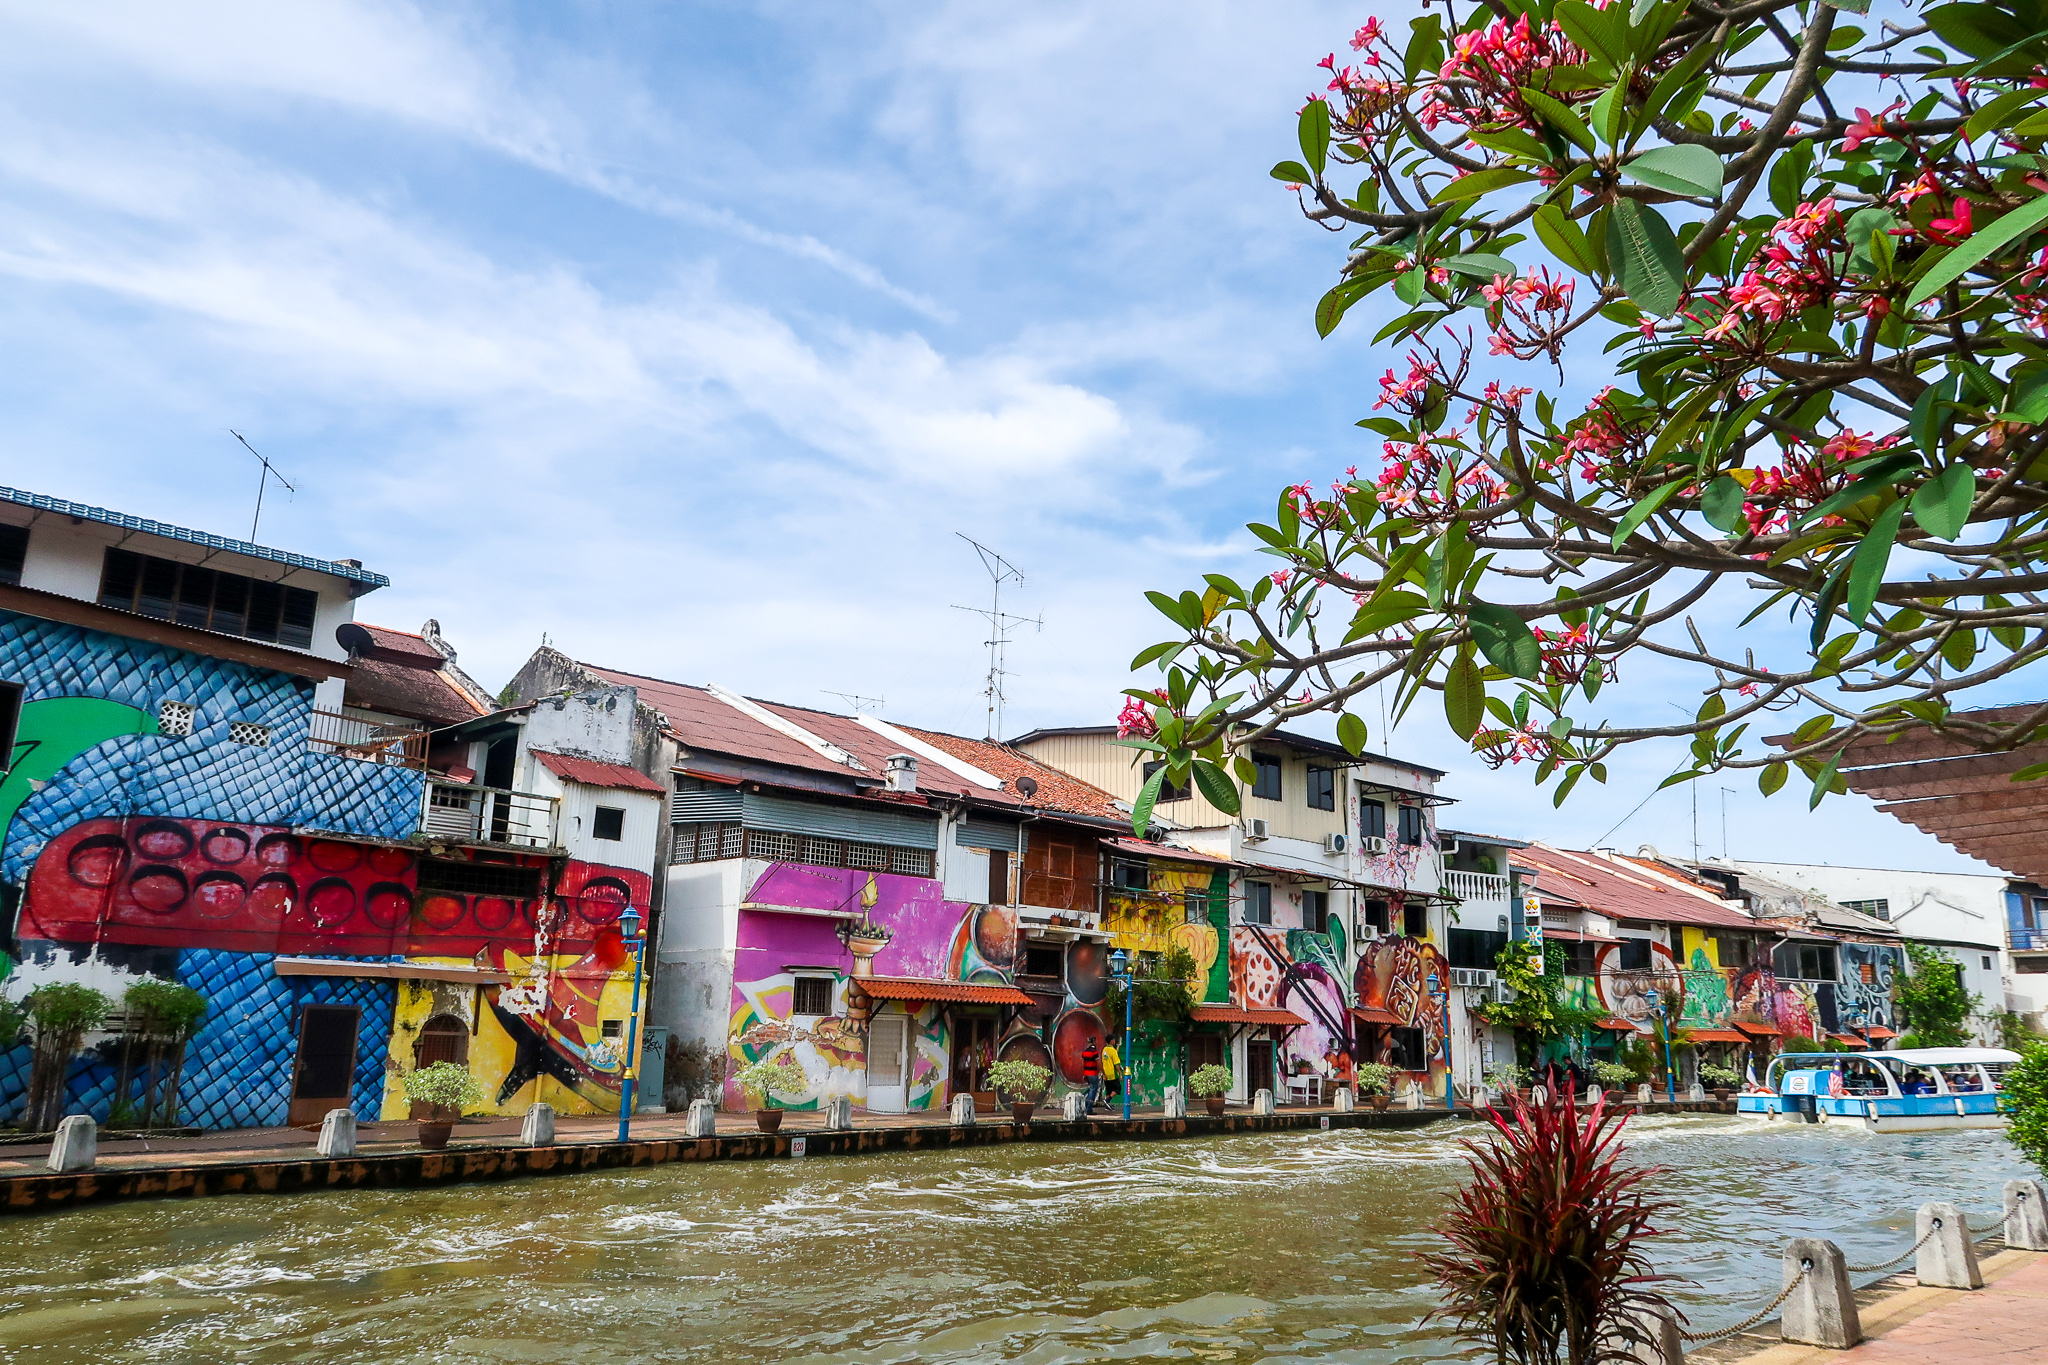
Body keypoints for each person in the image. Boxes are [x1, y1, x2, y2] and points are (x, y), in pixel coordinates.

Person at [1101, 1035, 1124, 1109]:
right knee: (1117, 1088)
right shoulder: (1113, 1050)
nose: (1115, 1041)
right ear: (1111, 1041)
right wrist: (1120, 1074)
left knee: (1108, 1090)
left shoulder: (1104, 1050)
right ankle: (1107, 1100)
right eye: (1114, 1040)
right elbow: (1116, 1064)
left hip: (1105, 1073)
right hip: (1112, 1073)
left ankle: (1107, 1106)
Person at [1081, 1038, 1103, 1114]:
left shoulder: (1084, 1052)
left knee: (1091, 1089)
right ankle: (1089, 1109)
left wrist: (1084, 1074)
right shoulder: (1094, 1052)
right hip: (1093, 1073)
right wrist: (1103, 1072)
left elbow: (1083, 1063)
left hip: (1087, 1073)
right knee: (1093, 1091)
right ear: (1094, 1042)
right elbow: (1098, 1063)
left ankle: (1085, 1103)